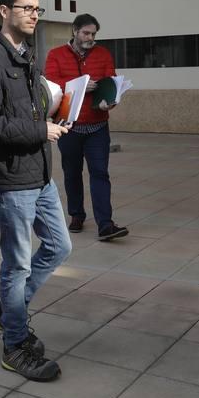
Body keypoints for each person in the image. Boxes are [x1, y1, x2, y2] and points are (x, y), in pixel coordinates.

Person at [0, 0, 72, 382]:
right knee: (16, 265)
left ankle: (7, 309)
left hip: (39, 174)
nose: (34, 14)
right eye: (26, 8)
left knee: (60, 246)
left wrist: (57, 108)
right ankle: (15, 344)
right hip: (11, 181)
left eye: (37, 8)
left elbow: (28, 110)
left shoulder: (26, 54)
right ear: (4, 11)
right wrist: (39, 131)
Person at [44, 14, 128, 240]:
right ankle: (76, 215)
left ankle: (105, 224)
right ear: (75, 31)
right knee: (72, 173)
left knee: (100, 173)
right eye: (86, 33)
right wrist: (79, 85)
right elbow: (49, 83)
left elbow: (111, 82)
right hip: (68, 126)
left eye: (93, 34)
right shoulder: (56, 55)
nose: (90, 38)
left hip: (98, 125)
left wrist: (109, 101)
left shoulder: (103, 54)